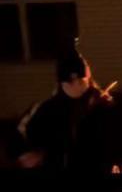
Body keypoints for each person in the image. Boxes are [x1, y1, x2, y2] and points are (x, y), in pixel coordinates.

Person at [14, 48, 114, 176]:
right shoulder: (47, 109)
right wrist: (25, 153)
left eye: (84, 80)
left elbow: (114, 141)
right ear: (64, 83)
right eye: (74, 81)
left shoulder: (100, 105)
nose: (81, 84)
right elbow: (19, 134)